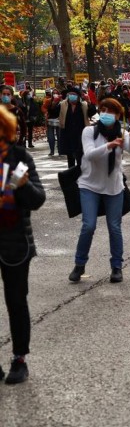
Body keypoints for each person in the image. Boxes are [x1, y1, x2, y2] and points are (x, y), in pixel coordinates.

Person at [0, 106, 46, 383]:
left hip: (16, 242)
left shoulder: (19, 158)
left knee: (16, 301)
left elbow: (38, 199)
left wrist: (23, 186)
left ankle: (20, 359)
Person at [69, 98, 130, 284]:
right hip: (89, 184)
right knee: (88, 225)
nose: (107, 114)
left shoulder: (121, 132)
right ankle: (79, 264)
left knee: (114, 227)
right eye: (104, 110)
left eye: (112, 111)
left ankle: (116, 267)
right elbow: (89, 154)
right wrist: (110, 145)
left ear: (118, 116)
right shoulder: (89, 131)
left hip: (113, 187)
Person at [58, 87, 91, 169]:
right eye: (70, 94)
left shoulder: (83, 105)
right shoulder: (63, 105)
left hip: (80, 134)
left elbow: (92, 112)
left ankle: (81, 174)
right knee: (70, 158)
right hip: (68, 134)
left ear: (78, 96)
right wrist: (54, 103)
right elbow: (53, 112)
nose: (72, 96)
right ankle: (71, 175)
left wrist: (89, 101)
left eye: (74, 95)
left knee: (80, 157)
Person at [42, 88, 62, 157]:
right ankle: (52, 151)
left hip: (59, 120)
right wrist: (46, 112)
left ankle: (60, 150)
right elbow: (44, 108)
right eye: (54, 93)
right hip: (50, 120)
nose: (55, 94)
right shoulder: (48, 101)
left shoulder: (61, 102)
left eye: (56, 93)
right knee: (51, 136)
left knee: (60, 136)